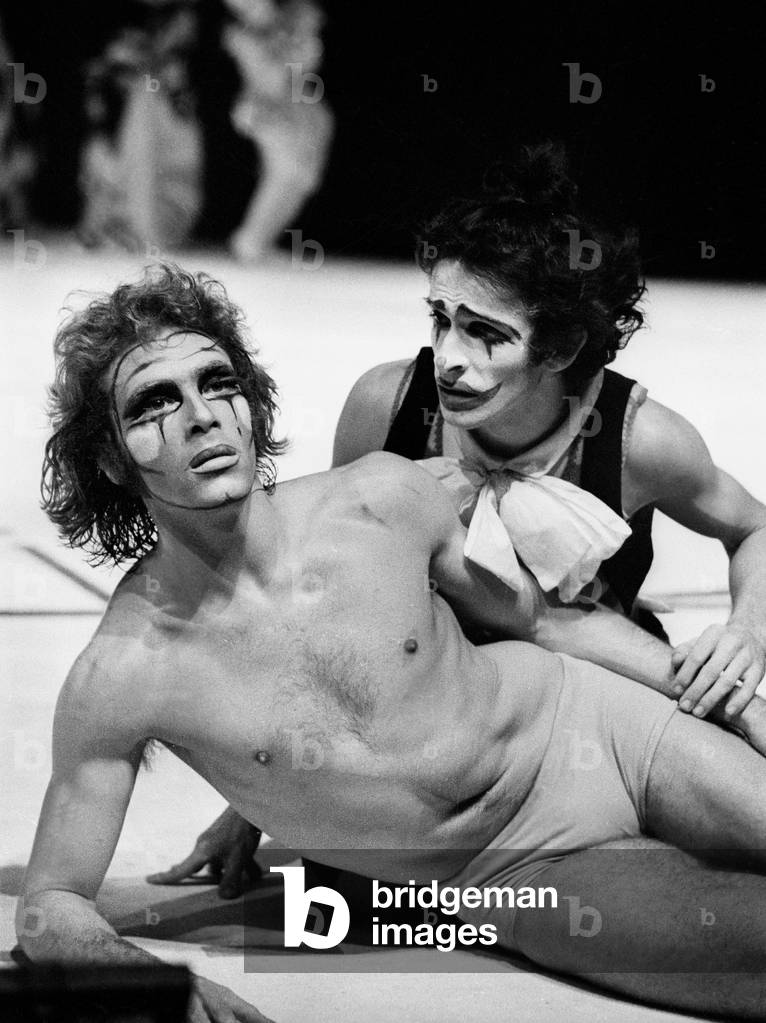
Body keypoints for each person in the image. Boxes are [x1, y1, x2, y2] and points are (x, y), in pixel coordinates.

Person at [18, 266, 766, 1022]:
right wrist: (160, 990)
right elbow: (50, 904)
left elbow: (540, 621)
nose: (202, 416)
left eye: (217, 383)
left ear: (250, 404)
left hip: (605, 726)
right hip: (509, 867)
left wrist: (724, 700)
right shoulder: (122, 672)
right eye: (156, 402)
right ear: (111, 459)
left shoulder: (381, 495)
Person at [334, 141, 766, 717]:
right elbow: (332, 563)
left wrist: (748, 632)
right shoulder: (384, 405)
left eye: (486, 333)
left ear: (560, 348)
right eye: (441, 319)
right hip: (426, 698)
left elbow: (755, 529)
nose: (447, 359)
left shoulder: (640, 440)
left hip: (600, 701)